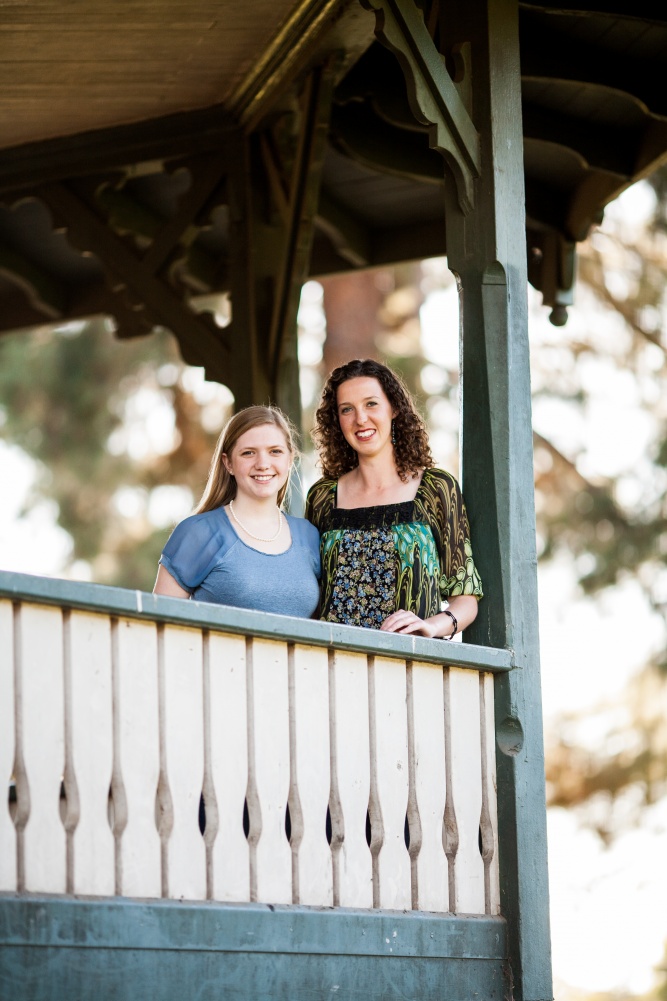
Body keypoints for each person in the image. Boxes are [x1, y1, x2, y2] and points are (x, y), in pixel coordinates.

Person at [305, 359, 482, 638]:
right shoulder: (322, 497)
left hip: (411, 667)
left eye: (371, 404)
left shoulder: (436, 488)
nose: (360, 418)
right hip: (332, 665)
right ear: (336, 421)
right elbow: (311, 596)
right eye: (346, 409)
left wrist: (431, 626)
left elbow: (466, 598)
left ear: (394, 408)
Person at [154, 405, 321, 618]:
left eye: (275, 452)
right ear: (228, 463)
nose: (263, 464)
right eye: (248, 453)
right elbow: (159, 627)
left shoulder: (309, 536)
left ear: (289, 459)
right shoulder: (198, 533)